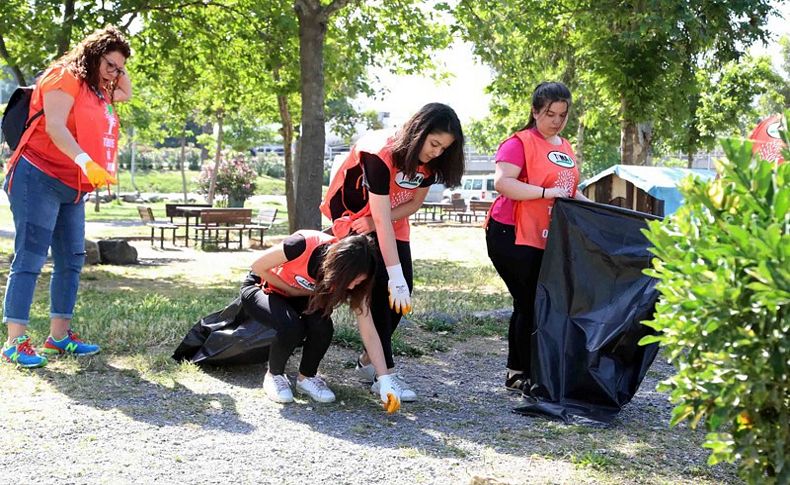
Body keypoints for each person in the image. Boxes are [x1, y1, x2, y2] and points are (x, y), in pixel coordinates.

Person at [1, 26, 131, 368]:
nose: (116, 75)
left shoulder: (98, 89)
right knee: (30, 256)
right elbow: (56, 126)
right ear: (91, 55)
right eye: (110, 65)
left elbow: (126, 94)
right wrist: (87, 161)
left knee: (72, 258)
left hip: (72, 184)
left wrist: (117, 61)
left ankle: (59, 337)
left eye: (119, 69)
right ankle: (15, 341)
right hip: (37, 176)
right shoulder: (64, 76)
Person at [320, 103, 465, 401]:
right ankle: (384, 374)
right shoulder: (380, 152)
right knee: (380, 291)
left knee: (402, 294)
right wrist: (392, 273)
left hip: (388, 222)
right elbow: (378, 217)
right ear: (418, 132)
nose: (437, 153)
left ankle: (368, 362)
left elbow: (412, 205)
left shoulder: (432, 163)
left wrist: (399, 277)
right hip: (354, 222)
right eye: (434, 143)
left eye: (444, 148)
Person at [485, 82, 590, 393]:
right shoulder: (518, 143)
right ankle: (518, 373)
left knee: (541, 303)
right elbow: (503, 183)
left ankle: (535, 371)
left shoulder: (565, 146)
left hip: (546, 237)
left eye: (562, 115)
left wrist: (593, 208)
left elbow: (569, 190)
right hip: (510, 234)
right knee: (529, 301)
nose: (556, 121)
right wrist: (544, 193)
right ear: (534, 112)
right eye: (549, 114)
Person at [241, 230, 403, 413]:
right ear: (339, 268)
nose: (351, 287)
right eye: (351, 280)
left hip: (302, 297)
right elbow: (257, 266)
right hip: (262, 288)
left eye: (358, 282)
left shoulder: (358, 285)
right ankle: (274, 375)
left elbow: (369, 332)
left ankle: (306, 378)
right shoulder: (302, 244)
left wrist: (384, 380)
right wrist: (291, 291)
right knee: (291, 326)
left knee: (323, 326)